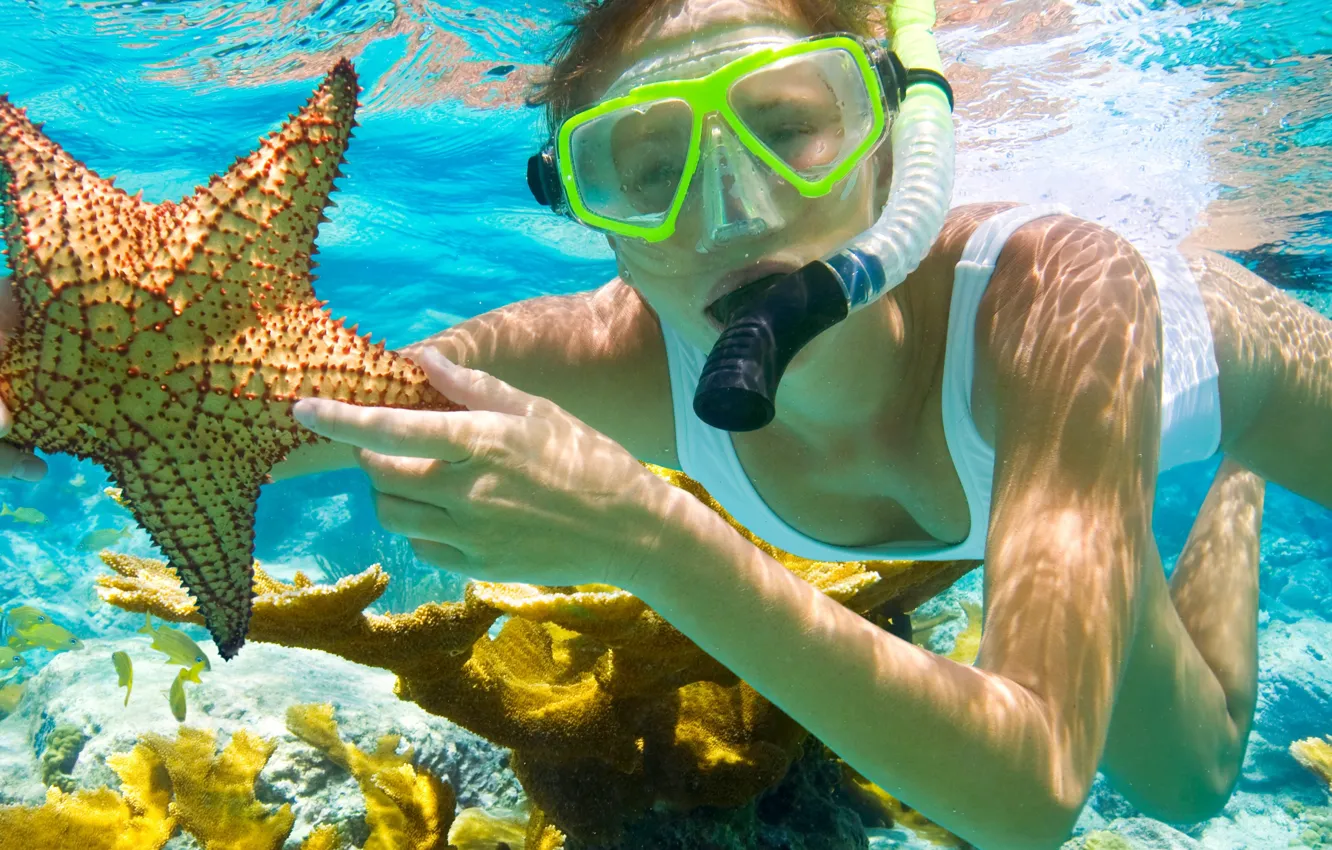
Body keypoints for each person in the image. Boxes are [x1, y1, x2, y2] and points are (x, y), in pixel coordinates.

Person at [0, 0, 1326, 846]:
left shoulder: (1060, 292)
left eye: (789, 127)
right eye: (644, 167)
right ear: (590, 216)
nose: (733, 209)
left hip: (1214, 370)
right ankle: (1204, 505)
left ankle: (1234, 466)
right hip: (1047, 479)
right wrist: (34, 377)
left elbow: (1024, 794)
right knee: (1191, 781)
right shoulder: (603, 356)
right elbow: (241, 404)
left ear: (890, 138)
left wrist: (644, 535)